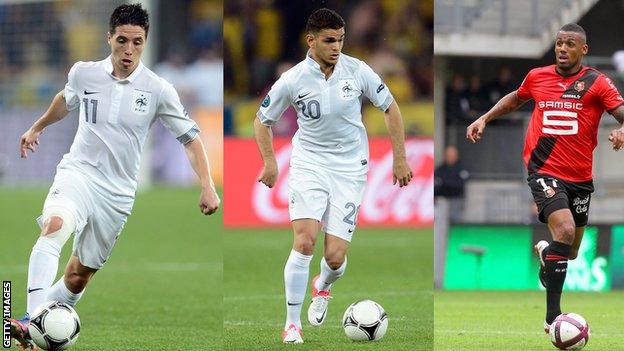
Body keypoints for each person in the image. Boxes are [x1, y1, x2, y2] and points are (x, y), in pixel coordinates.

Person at [10, 4, 220, 349]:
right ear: (109, 37)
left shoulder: (158, 89)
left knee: (78, 276)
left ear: (145, 41)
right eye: (122, 40)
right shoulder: (84, 73)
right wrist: (37, 126)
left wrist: (207, 186)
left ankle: (44, 321)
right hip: (78, 173)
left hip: (118, 192)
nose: (128, 50)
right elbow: (67, 99)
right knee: (54, 225)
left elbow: (191, 138)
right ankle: (32, 321)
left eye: (137, 42)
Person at [253, 8, 413, 344]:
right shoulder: (293, 79)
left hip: (350, 168)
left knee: (335, 257)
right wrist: (270, 162)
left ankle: (323, 285)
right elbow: (261, 120)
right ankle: (291, 324)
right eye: (329, 40)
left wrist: (400, 157)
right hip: (309, 163)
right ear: (311, 41)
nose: (336, 46)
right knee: (304, 240)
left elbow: (391, 108)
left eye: (340, 39)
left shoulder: (357, 70)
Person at [466, 23, 624, 334]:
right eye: (559, 43)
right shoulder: (538, 77)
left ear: (583, 49)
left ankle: (545, 254)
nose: (563, 49)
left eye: (569, 44)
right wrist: (484, 117)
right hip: (543, 170)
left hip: (580, 177)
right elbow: (516, 97)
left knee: (571, 250)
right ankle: (553, 318)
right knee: (563, 229)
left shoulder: (597, 82)